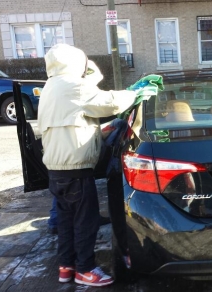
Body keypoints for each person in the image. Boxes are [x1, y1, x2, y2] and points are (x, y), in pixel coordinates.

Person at [38, 44, 137, 287]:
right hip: (76, 170)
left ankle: (66, 267)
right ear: (75, 63)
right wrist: (135, 93)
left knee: (66, 222)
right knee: (86, 221)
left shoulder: (52, 86)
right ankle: (85, 269)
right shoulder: (74, 86)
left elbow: (74, 122)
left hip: (56, 170)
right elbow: (111, 102)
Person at [46, 60, 111, 236]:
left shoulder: (52, 86)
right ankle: (83, 260)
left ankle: (57, 224)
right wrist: (84, 62)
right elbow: (106, 98)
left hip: (56, 157)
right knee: (83, 219)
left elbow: (95, 76)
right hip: (72, 158)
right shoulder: (73, 87)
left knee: (63, 201)